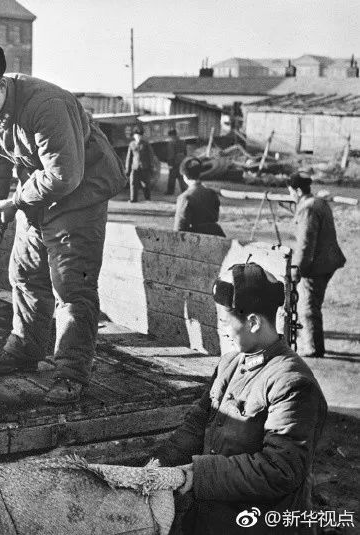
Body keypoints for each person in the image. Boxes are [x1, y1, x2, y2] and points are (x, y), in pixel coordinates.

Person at [0, 41, 126, 404]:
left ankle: (71, 372)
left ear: (1, 86)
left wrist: (15, 202)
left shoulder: (46, 105)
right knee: (24, 272)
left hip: (81, 190)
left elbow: (64, 175)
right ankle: (25, 349)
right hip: (37, 188)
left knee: (71, 285)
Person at [155, 262, 327, 535]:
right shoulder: (230, 364)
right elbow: (197, 425)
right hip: (212, 518)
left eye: (225, 321)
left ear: (254, 322)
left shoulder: (292, 383)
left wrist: (198, 475)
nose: (221, 329)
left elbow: (279, 469)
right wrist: (158, 465)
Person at [287, 171, 346, 359]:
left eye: (290, 192)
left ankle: (313, 348)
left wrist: (297, 270)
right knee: (313, 304)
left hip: (318, 265)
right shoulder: (319, 202)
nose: (290, 195)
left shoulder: (308, 208)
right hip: (328, 261)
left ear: (297, 191)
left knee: (308, 306)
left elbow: (306, 244)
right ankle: (313, 343)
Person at [174, 157, 225, 237]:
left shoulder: (185, 198)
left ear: (184, 176)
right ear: (199, 173)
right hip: (216, 233)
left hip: (197, 237)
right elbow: (216, 217)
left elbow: (180, 229)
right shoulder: (211, 193)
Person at [125, 125, 155, 202]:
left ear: (141, 136)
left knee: (145, 184)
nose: (138, 137)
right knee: (133, 183)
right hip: (134, 167)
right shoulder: (132, 144)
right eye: (136, 135)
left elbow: (151, 156)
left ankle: (147, 199)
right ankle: (133, 199)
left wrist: (151, 167)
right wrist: (127, 169)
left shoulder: (146, 144)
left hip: (145, 167)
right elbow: (129, 158)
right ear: (134, 136)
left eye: (139, 136)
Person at [165, 128, 188, 195]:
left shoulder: (171, 143)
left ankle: (170, 192)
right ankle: (184, 191)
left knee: (172, 177)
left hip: (174, 162)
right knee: (181, 177)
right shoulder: (182, 141)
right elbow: (185, 152)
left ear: (171, 135)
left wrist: (170, 164)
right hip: (182, 161)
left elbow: (171, 154)